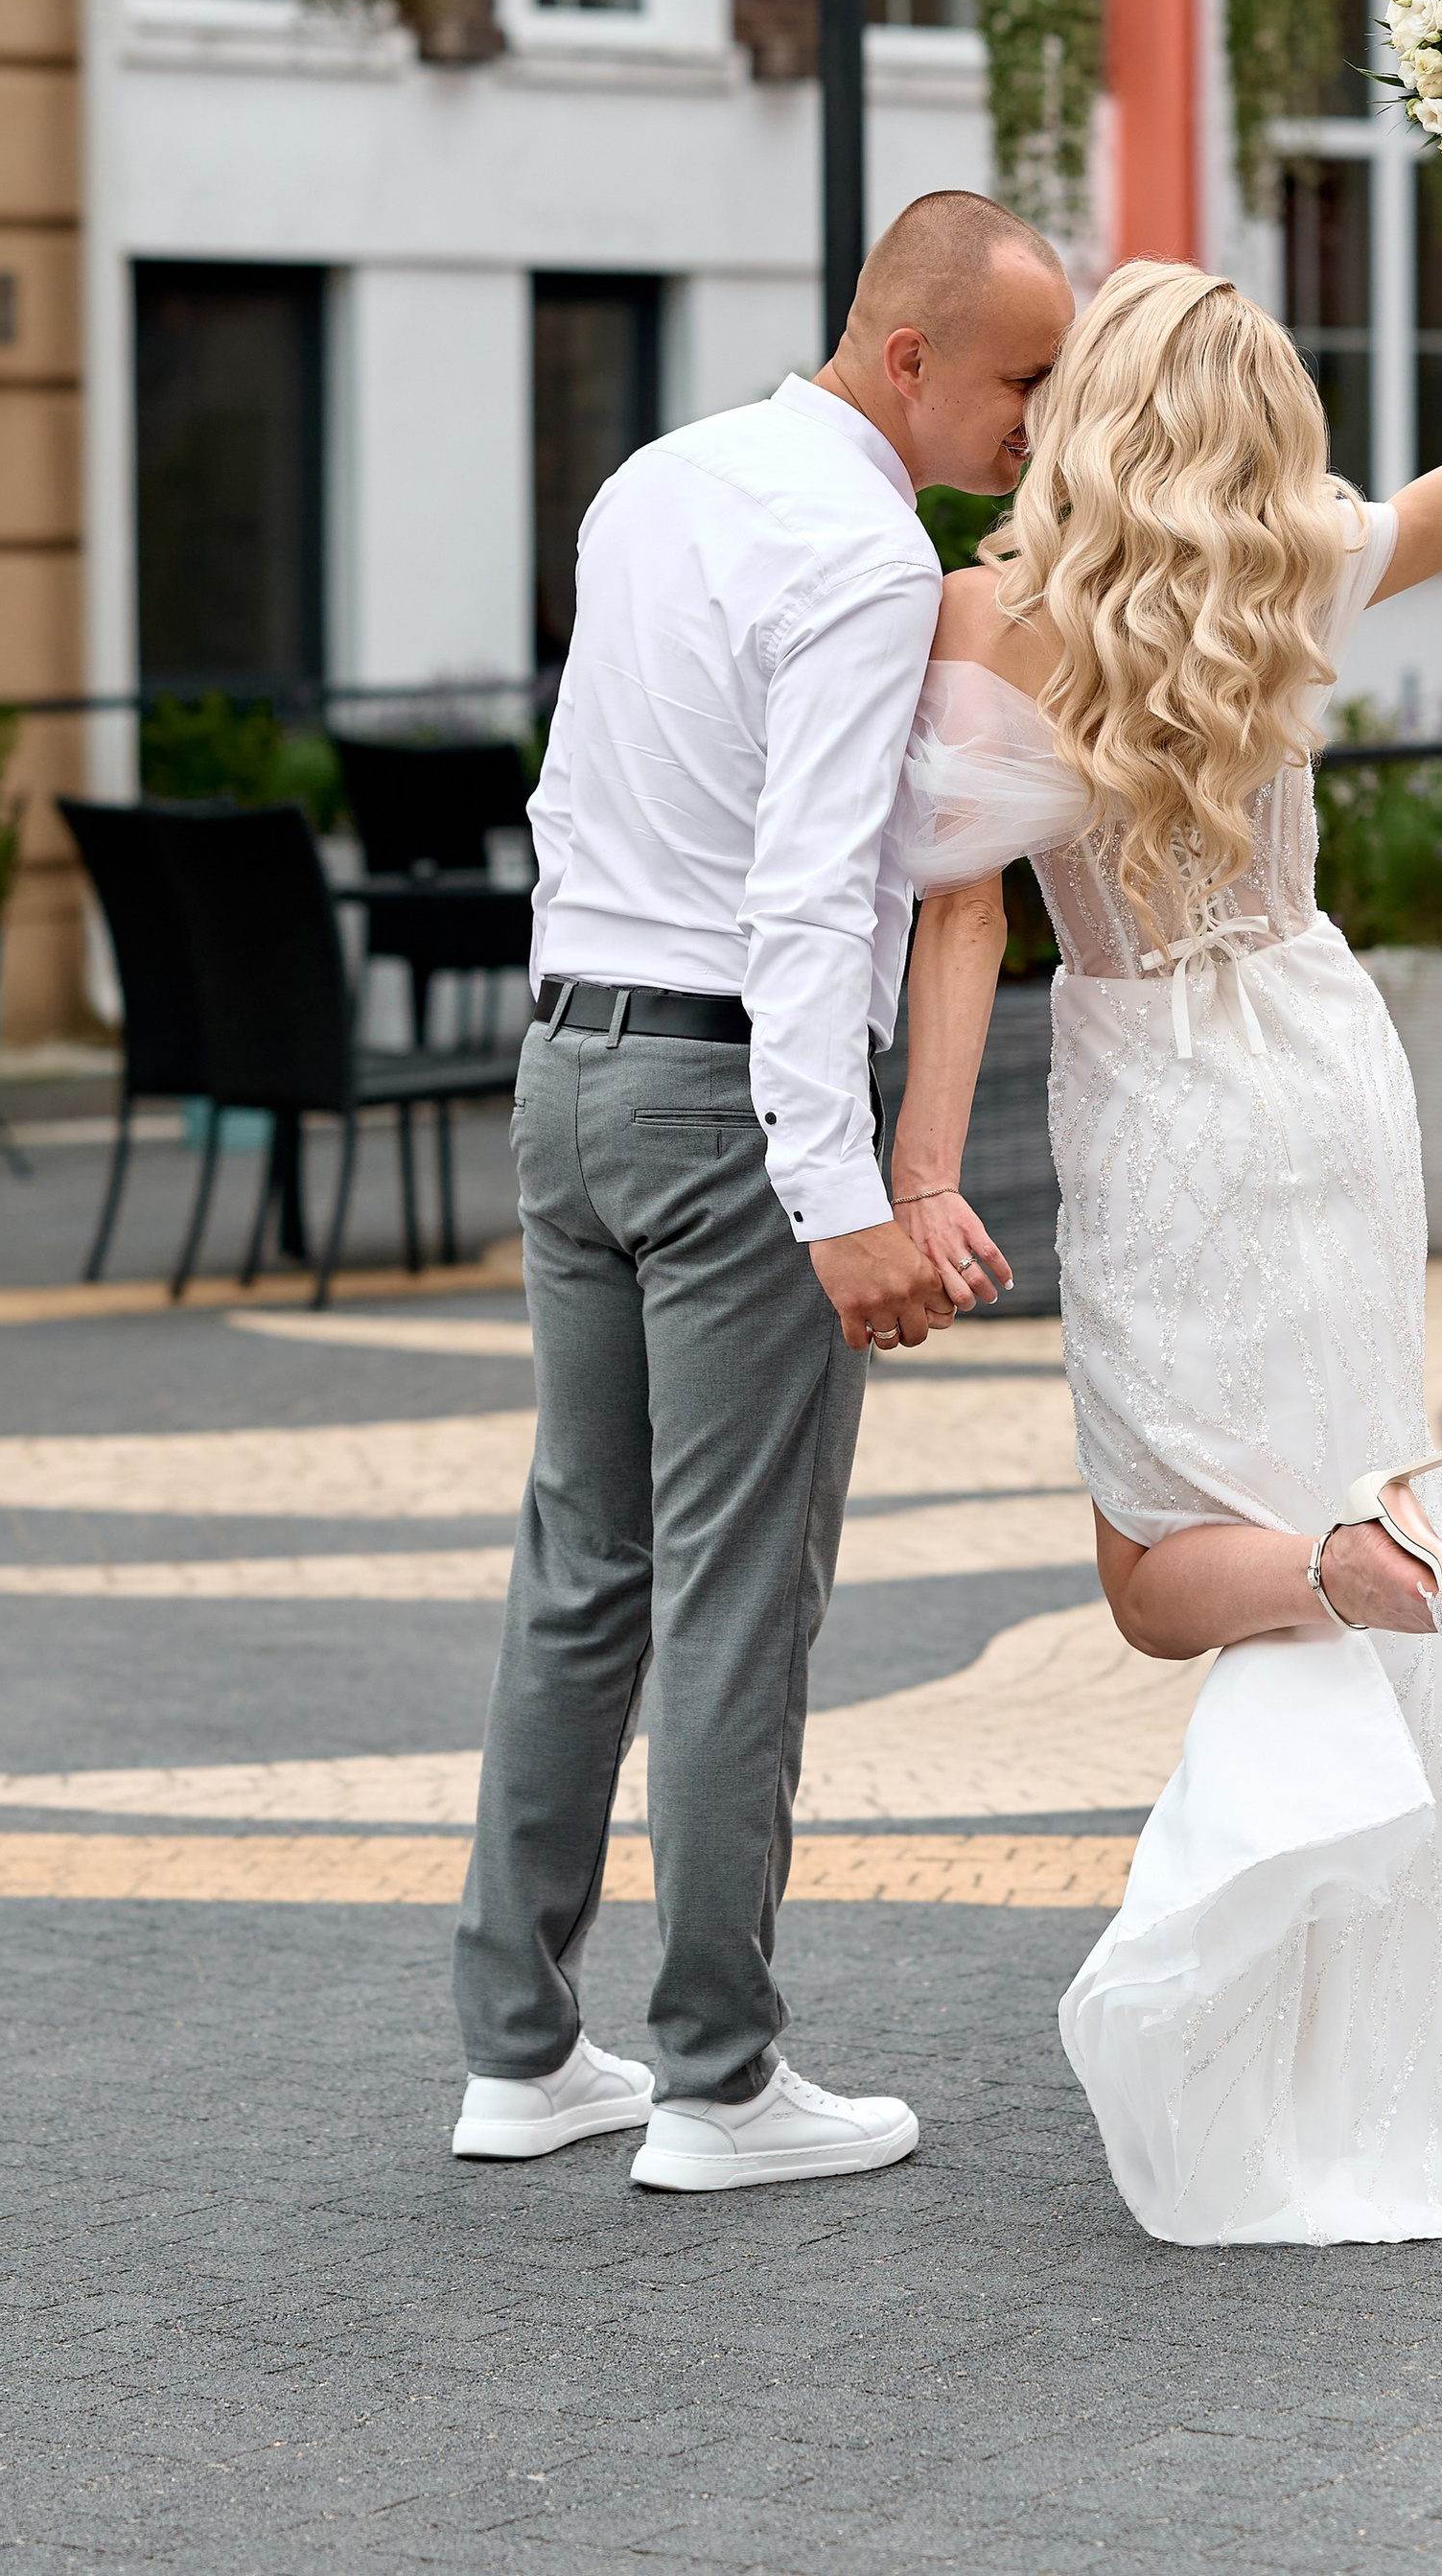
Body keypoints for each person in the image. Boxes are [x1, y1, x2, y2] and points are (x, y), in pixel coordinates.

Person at [888, 226, 1442, 2245]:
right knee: (1331, 1461)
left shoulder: (999, 615)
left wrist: (916, 1170)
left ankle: (1370, 1569)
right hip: (1324, 1054)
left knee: (1162, 1572)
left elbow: (960, 910)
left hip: (1155, 1081)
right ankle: (1399, 2019)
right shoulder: (1297, 557)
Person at [452, 191, 1074, 2192]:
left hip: (570, 1068)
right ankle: (716, 2080)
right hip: (726, 1101)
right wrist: (839, 1198)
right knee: (737, 1594)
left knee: (584, 1571)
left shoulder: (651, 480)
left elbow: (583, 790)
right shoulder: (863, 553)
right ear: (908, 358)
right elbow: (811, 893)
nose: (1038, 422)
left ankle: (519, 2054)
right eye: (1018, 379)